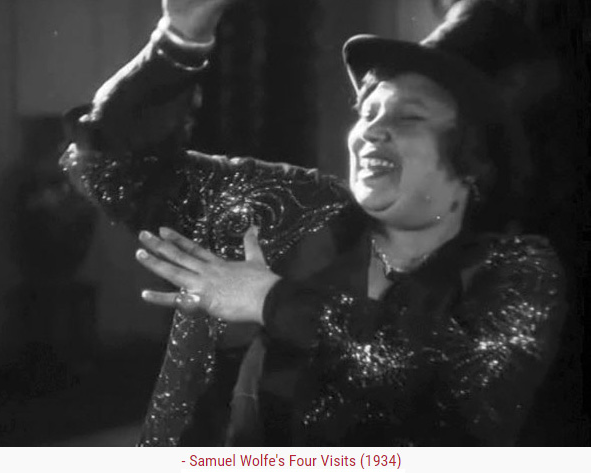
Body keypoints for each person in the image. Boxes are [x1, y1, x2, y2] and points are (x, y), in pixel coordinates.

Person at [60, 0, 566, 446]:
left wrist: (270, 300)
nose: (372, 132)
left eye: (408, 117)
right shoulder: (294, 207)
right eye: (368, 112)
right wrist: (178, 40)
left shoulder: (519, 270)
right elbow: (113, 170)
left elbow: (446, 387)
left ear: (474, 160)